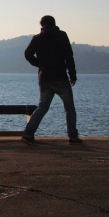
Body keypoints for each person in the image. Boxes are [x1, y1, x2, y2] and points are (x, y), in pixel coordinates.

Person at [22, 15, 82, 145]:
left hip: (44, 78)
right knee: (69, 108)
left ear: (42, 25)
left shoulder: (37, 38)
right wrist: (73, 75)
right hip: (60, 77)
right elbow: (69, 56)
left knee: (42, 107)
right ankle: (73, 136)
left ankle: (28, 133)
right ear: (54, 24)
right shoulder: (61, 35)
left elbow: (27, 54)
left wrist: (39, 64)